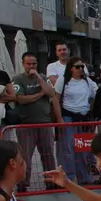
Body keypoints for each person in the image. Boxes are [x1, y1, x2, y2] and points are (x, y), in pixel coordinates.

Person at [12, 52, 61, 191]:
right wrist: (40, 94)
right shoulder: (18, 79)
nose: (31, 66)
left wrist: (39, 78)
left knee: (48, 154)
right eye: (29, 64)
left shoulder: (43, 78)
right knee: (25, 155)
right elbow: (21, 99)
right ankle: (23, 183)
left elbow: (51, 93)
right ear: (23, 64)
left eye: (34, 63)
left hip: (44, 122)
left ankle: (51, 182)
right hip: (26, 123)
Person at [55, 57, 98, 185]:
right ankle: (70, 176)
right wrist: (59, 118)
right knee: (68, 148)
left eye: (82, 66)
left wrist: (91, 115)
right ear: (71, 68)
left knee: (83, 149)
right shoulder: (63, 80)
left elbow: (92, 98)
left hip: (83, 117)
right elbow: (55, 99)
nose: (80, 69)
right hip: (68, 116)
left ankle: (84, 176)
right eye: (77, 66)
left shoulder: (88, 82)